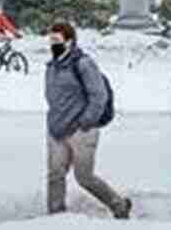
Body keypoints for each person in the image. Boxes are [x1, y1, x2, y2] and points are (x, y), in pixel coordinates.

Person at [44, 21, 131, 218]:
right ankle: (55, 214)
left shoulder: (83, 64)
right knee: (55, 175)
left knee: (84, 177)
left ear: (70, 41)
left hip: (81, 130)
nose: (52, 44)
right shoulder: (52, 66)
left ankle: (118, 205)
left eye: (57, 40)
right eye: (50, 40)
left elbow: (99, 95)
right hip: (56, 129)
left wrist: (86, 121)